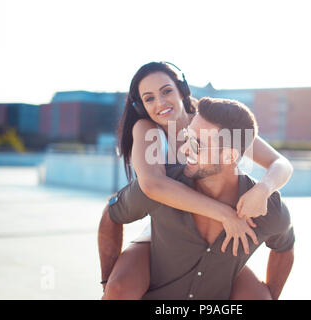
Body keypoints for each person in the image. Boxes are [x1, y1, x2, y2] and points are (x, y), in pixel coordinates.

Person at [98, 62, 294, 299]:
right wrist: (225, 214)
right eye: (149, 98)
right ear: (141, 105)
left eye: (166, 91)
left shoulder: (208, 120)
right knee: (119, 289)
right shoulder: (146, 129)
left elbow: (281, 164)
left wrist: (262, 190)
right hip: (169, 224)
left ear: (181, 89)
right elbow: (152, 185)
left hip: (219, 230)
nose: (160, 103)